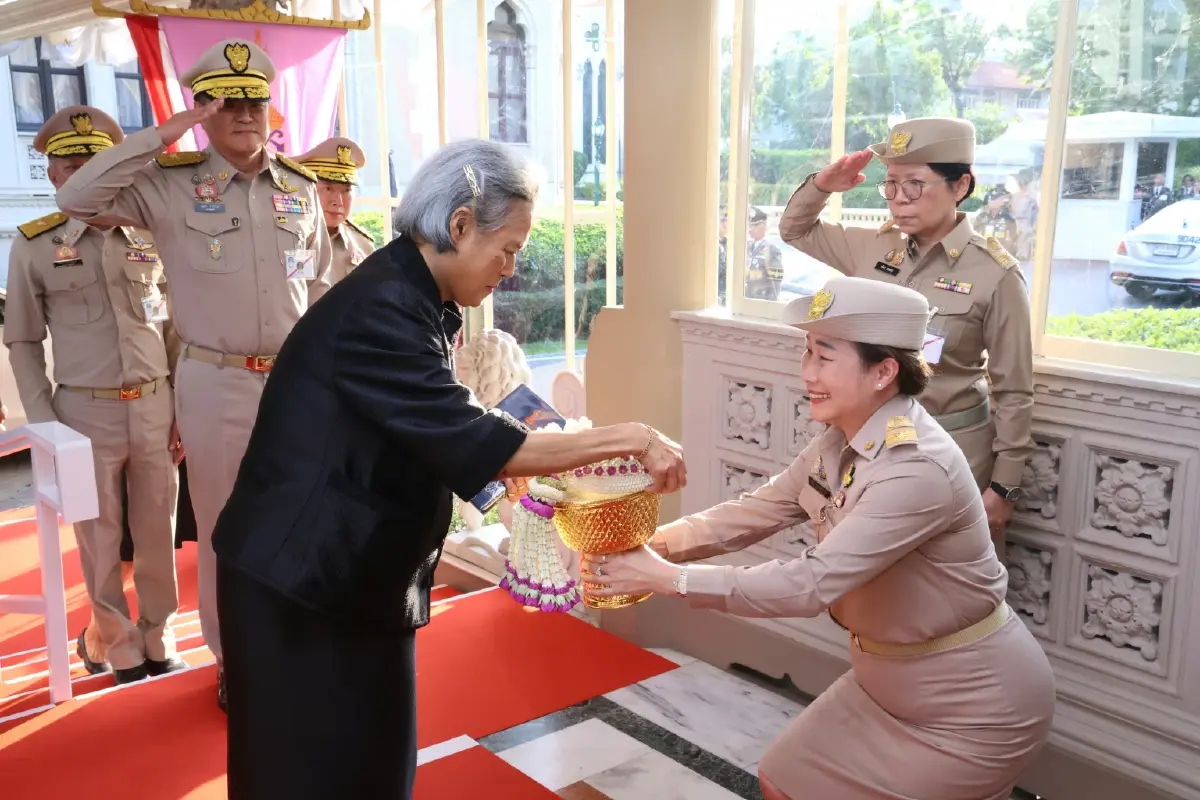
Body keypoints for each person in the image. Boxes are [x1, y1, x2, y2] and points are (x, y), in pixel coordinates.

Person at [210, 139, 687, 800]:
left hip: (350, 577)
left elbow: (433, 434)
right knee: (307, 776)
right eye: (509, 248)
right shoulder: (382, 310)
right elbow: (474, 439)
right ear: (460, 225)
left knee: (370, 769)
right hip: (304, 585)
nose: (513, 268)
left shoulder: (414, 295)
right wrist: (630, 438)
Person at [585, 275, 1055, 800]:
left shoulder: (917, 468)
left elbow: (809, 584)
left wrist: (669, 578)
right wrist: (656, 545)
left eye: (825, 358)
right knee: (783, 776)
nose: (807, 372)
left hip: (974, 711)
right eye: (807, 353)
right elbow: (757, 510)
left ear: (884, 371)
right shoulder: (840, 438)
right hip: (882, 684)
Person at [55, 38, 334, 710]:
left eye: (254, 99)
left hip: (296, 383)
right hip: (219, 381)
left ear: (272, 107)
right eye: (225, 100)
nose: (243, 111)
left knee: (300, 517)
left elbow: (320, 285)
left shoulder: (299, 189)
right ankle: (236, 659)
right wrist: (165, 132)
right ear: (204, 110)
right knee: (226, 528)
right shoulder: (169, 184)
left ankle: (294, 642)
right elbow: (81, 197)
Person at [778, 117, 1033, 555]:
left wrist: (1004, 487)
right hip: (866, 449)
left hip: (951, 454)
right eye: (890, 185)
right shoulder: (873, 247)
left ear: (960, 185)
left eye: (914, 184)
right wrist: (823, 184)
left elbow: (1014, 389)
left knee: (941, 584)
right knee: (865, 579)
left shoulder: (995, 274)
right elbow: (794, 230)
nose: (899, 200)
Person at [5, 106, 185, 684]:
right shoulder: (34, 246)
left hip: (157, 404)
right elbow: (24, 341)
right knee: (99, 535)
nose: (85, 172)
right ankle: (118, 642)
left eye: (98, 162)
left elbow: (176, 328)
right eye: (72, 164)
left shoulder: (152, 239)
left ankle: (159, 633)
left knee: (159, 528)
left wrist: (182, 402)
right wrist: (46, 424)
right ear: (55, 177)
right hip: (84, 410)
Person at [294, 136, 377, 283]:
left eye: (346, 190)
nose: (338, 201)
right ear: (305, 190)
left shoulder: (363, 245)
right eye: (328, 188)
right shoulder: (292, 240)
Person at [746, 205, 783, 300]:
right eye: (749, 225)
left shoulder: (772, 251)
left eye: (754, 225)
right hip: (746, 299)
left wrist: (771, 304)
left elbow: (776, 282)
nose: (750, 229)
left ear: (763, 226)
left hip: (761, 300)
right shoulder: (746, 246)